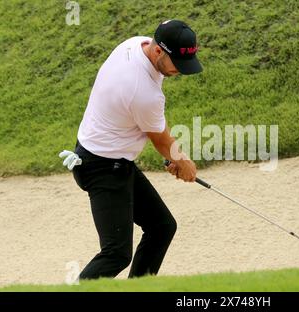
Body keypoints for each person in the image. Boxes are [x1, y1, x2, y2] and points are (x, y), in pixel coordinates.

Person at [59, 20, 202, 280]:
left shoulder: (136, 44)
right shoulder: (143, 90)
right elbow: (160, 139)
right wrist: (183, 163)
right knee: (116, 253)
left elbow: (154, 127)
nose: (179, 72)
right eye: (177, 65)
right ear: (158, 52)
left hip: (107, 157)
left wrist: (174, 158)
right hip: (101, 167)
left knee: (161, 227)